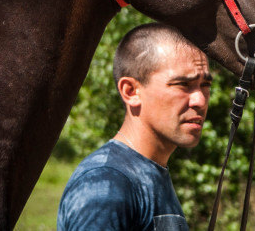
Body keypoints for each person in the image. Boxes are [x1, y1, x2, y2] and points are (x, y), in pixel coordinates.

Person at [57, 23, 212, 231]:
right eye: (183, 85)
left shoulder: (149, 172)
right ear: (131, 91)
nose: (200, 100)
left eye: (205, 85)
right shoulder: (107, 184)